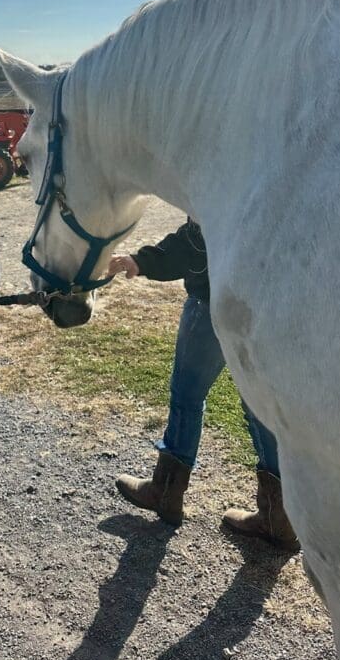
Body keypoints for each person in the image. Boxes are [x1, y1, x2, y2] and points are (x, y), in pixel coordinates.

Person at [109, 218, 298, 551]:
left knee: (187, 396)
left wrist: (141, 261)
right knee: (256, 405)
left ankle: (166, 492)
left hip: (212, 301)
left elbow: (196, 241)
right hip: (261, 302)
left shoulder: (221, 170)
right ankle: (279, 517)